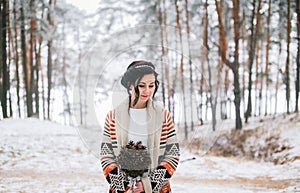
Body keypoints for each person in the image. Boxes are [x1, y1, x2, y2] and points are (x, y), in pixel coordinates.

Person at [100, 61, 180, 193]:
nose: (147, 91)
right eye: (142, 85)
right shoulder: (113, 117)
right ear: (130, 85)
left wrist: (149, 184)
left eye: (151, 85)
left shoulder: (163, 116)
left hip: (157, 189)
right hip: (122, 189)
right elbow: (106, 155)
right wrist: (123, 184)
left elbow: (173, 154)